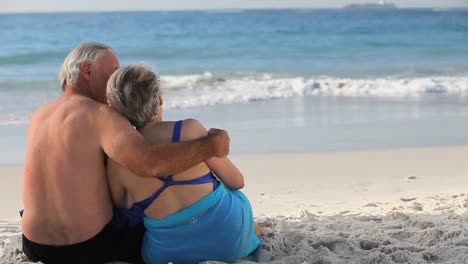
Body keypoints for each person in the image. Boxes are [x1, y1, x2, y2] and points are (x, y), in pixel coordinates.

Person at [21, 42, 230, 264]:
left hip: (35, 245)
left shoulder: (40, 115)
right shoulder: (101, 115)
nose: (117, 80)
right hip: (89, 247)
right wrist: (210, 145)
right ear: (87, 70)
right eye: (113, 72)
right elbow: (150, 163)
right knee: (149, 213)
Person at [106, 63, 261, 264]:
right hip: (230, 241)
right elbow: (237, 181)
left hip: (169, 252)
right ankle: (253, 232)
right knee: (232, 193)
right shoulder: (188, 129)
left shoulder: (117, 159)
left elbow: (123, 204)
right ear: (159, 98)